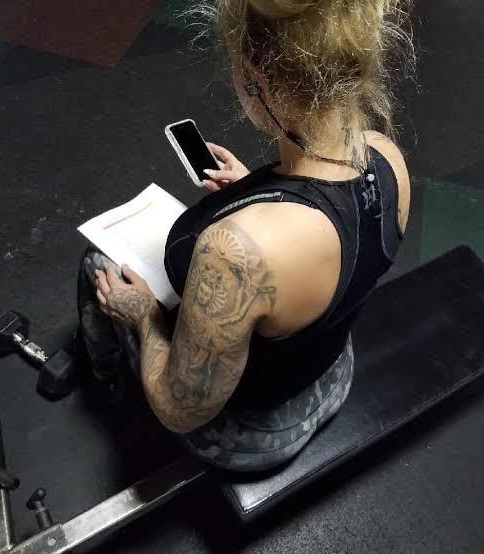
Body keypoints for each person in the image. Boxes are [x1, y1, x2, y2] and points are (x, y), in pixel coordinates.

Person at [77, 0, 414, 472]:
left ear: (257, 78)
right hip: (331, 375)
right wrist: (253, 188)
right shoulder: (387, 157)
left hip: (257, 434)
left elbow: (180, 409)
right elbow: (335, 221)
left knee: (96, 263)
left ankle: (109, 386)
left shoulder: (236, 253)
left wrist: (144, 317)